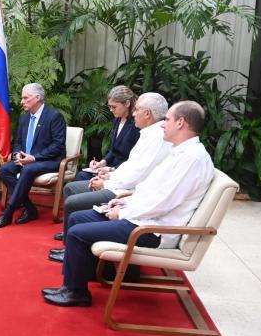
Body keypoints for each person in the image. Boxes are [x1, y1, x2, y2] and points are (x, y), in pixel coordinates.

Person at [42, 101, 214, 307]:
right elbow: (151, 190)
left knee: (77, 233)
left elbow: (162, 203)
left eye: (167, 119)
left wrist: (122, 212)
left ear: (180, 123)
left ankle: (75, 292)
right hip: (143, 217)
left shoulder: (192, 159)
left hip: (153, 230)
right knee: (78, 218)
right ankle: (95, 272)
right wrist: (123, 202)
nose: (162, 123)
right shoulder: (180, 153)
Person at [48, 92, 171, 262]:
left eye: (137, 109)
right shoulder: (148, 133)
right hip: (120, 182)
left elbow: (137, 174)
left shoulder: (156, 137)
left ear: (147, 114)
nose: (134, 113)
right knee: (72, 188)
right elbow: (130, 165)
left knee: (72, 202)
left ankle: (71, 246)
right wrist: (107, 173)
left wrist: (106, 181)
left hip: (126, 191)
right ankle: (70, 241)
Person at [0, 83, 66, 229]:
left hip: (48, 160)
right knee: (4, 170)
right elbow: (18, 142)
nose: (21, 102)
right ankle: (30, 208)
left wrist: (34, 158)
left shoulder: (54, 116)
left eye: (25, 98)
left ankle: (8, 213)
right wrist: (18, 154)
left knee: (28, 169)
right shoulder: (24, 118)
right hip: (26, 160)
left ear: (37, 97)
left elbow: (58, 145)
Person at [75, 85, 140, 181]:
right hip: (109, 168)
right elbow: (113, 150)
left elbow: (134, 159)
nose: (111, 110)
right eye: (109, 106)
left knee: (79, 180)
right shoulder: (117, 120)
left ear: (127, 104)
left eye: (114, 107)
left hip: (122, 173)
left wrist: (111, 169)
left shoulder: (136, 125)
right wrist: (101, 163)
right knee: (81, 175)